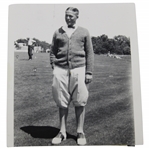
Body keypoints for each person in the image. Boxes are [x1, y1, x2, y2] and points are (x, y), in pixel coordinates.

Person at [50, 7, 94, 145]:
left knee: (80, 101)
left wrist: (89, 72)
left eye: (71, 16)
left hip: (79, 70)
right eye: (66, 15)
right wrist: (54, 66)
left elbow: (89, 53)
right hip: (61, 70)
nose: (68, 18)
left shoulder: (84, 32)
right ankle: (62, 132)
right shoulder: (58, 32)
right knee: (62, 102)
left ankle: (80, 132)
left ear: (77, 16)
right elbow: (52, 51)